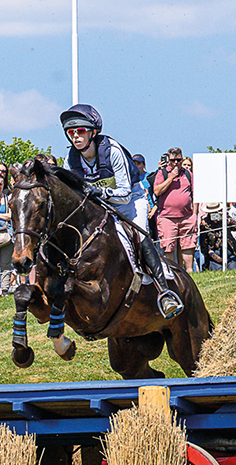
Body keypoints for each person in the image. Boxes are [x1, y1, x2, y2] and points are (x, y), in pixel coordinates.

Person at [61, 103, 180, 317]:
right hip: (100, 206)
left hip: (131, 201)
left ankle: (165, 292)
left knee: (139, 236)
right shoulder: (71, 159)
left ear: (93, 132)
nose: (75, 137)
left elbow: (124, 193)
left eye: (80, 131)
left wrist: (101, 193)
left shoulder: (112, 150)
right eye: (71, 132)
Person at [152, 149, 198, 269]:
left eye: (179, 160)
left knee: (188, 246)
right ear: (168, 160)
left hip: (187, 217)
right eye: (173, 160)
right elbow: (157, 191)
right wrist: (171, 177)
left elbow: (195, 195)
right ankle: (171, 272)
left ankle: (190, 273)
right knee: (168, 246)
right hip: (167, 218)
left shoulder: (187, 174)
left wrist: (195, 214)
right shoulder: (162, 173)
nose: (176, 163)